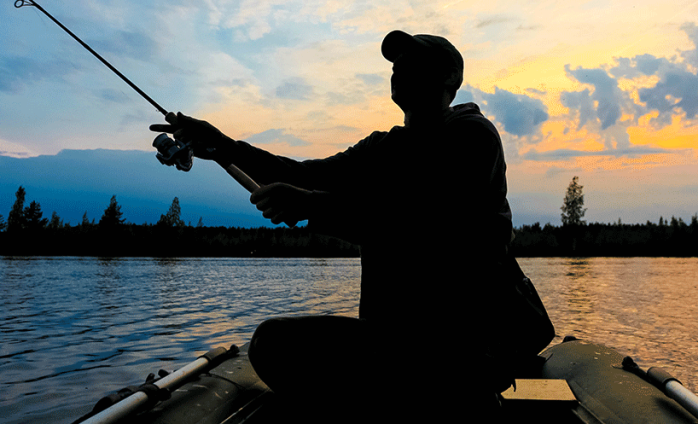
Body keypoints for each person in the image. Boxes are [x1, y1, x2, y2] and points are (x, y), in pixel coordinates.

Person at [150, 30, 514, 420]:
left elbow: (420, 222)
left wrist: (310, 205)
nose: (398, 68)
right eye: (395, 62)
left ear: (448, 79)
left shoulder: (473, 136)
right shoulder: (382, 148)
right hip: (390, 343)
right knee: (271, 343)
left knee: (276, 344)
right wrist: (221, 145)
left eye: (411, 61)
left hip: (460, 347)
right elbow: (303, 174)